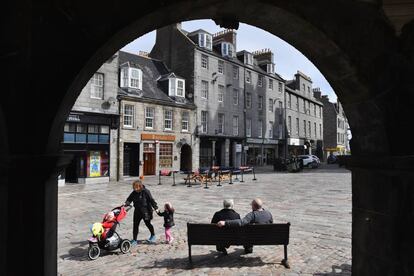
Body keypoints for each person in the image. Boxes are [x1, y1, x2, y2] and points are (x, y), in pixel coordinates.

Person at [125, 180, 159, 245]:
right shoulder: (134, 192)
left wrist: (156, 208)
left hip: (146, 211)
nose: (135, 189)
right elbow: (129, 199)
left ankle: (153, 235)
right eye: (134, 187)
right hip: (137, 211)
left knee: (148, 223)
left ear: (140, 186)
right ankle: (134, 240)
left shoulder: (146, 192)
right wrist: (126, 203)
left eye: (136, 187)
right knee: (135, 225)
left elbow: (151, 200)